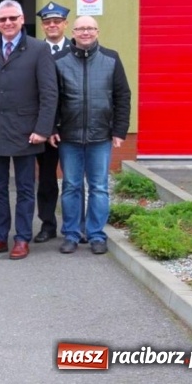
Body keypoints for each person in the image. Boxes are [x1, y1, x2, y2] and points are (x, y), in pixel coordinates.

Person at [0, 0, 57, 260]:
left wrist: (43, 129)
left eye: (12, 18)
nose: (8, 23)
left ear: (22, 19)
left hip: (27, 131)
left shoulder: (38, 49)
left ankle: (22, 238)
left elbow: (49, 92)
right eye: (2, 20)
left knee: (24, 188)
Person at [51, 15, 131, 255]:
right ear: (72, 32)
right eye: (81, 28)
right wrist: (52, 128)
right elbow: (52, 98)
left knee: (99, 187)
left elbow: (122, 96)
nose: (86, 32)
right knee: (71, 186)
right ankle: (72, 235)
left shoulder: (111, 58)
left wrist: (119, 129)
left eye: (90, 28)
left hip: (101, 136)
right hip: (70, 136)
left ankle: (96, 235)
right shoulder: (59, 60)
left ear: (97, 31)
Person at [33, 1, 73, 244]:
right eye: (48, 22)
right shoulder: (37, 51)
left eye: (57, 21)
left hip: (71, 127)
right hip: (46, 129)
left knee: (73, 181)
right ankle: (47, 225)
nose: (52, 25)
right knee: (46, 180)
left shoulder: (77, 49)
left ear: (65, 24)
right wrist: (48, 127)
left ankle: (74, 226)